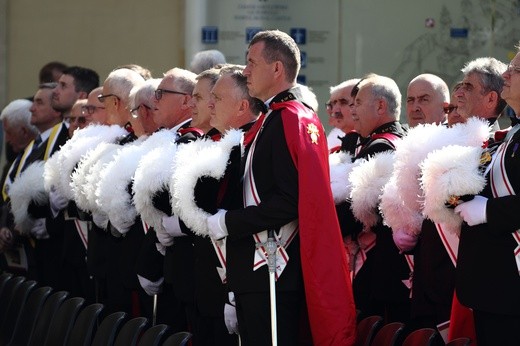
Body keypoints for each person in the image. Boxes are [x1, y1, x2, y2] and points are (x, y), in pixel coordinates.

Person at [205, 30, 356, 345]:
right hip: (255, 274)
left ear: (276, 70)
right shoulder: (271, 119)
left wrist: (226, 222)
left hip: (274, 271)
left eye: (251, 62)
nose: (245, 71)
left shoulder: (290, 119)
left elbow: (290, 201)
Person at [452, 49, 520, 346]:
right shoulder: (508, 137)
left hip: (510, 289)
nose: (506, 75)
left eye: (515, 71)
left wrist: (490, 211)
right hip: (492, 289)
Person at [347, 74, 408, 324]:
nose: (353, 111)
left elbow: (355, 212)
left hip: (381, 268)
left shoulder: (381, 147)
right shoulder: (396, 139)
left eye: (358, 103)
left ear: (380, 106)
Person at [6, 83, 69, 288]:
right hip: (31, 244)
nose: (32, 108)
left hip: (53, 245)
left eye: (39, 102)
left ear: (55, 109)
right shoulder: (36, 144)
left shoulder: (61, 140)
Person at [0, 100, 38, 263]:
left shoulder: (39, 160)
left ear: (23, 131)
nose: (6, 139)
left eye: (8, 132)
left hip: (34, 251)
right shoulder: (11, 164)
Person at [453, 57, 507, 133]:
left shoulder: (490, 143)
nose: (457, 94)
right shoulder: (462, 135)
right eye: (461, 85)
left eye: (468, 87)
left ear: (490, 99)